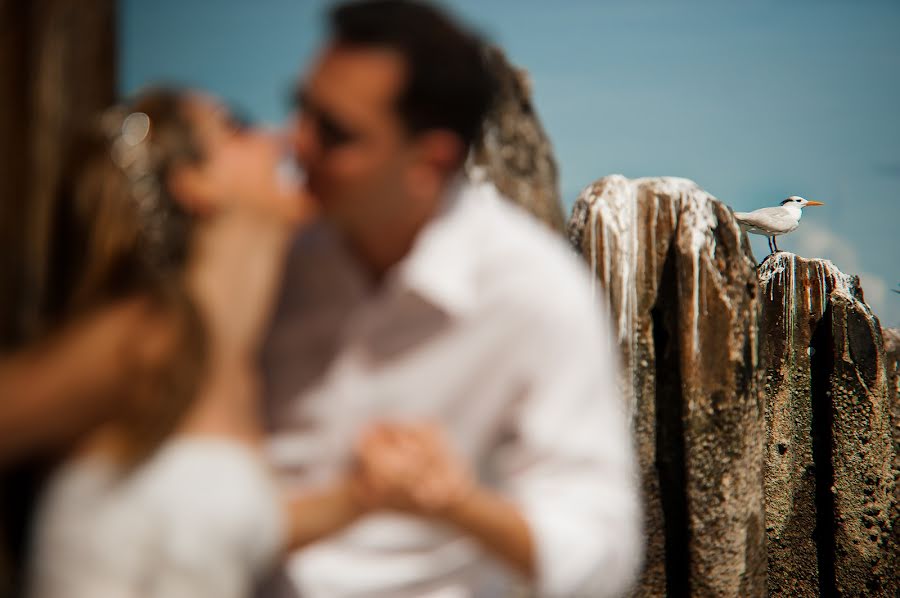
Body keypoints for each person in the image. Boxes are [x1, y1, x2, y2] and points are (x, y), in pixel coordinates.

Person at [261, 1, 643, 596]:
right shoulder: (262, 256)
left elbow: (600, 551)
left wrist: (459, 503)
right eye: (301, 110)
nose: (294, 145)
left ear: (429, 161)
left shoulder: (534, 292)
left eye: (334, 133)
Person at [23, 88, 370, 598]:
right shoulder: (144, 338)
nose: (282, 139)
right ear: (197, 183)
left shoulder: (244, 354)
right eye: (240, 127)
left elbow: (221, 524)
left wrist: (367, 498)